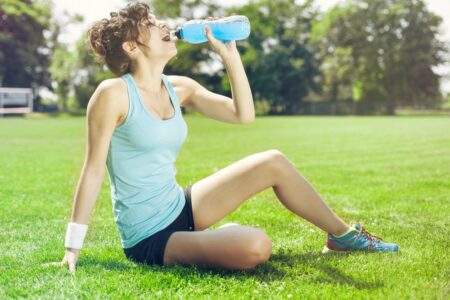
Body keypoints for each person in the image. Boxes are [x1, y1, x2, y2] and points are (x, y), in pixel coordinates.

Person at [43, 2, 398, 274]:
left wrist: (230, 58)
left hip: (179, 206)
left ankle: (343, 237)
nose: (164, 24)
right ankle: (213, 240)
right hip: (150, 237)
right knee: (257, 246)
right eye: (150, 25)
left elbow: (243, 115)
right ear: (132, 46)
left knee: (273, 161)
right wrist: (71, 249)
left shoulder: (179, 87)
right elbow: (92, 171)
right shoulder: (113, 95)